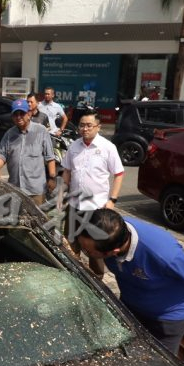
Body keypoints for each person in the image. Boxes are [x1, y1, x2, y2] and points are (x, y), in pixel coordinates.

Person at [77, 208, 184, 354]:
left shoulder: (164, 255)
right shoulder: (110, 230)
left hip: (166, 319)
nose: (85, 253)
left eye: (87, 251)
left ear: (113, 252)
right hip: (131, 307)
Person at [61, 113, 124, 273]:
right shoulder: (74, 146)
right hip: (75, 206)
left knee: (95, 248)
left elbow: (119, 174)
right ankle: (72, 274)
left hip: (96, 208)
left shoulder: (108, 147)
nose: (84, 129)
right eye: (82, 125)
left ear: (98, 127)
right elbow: (67, 171)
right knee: (70, 244)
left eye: (89, 125)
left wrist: (112, 200)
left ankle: (96, 280)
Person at [0, 98, 56, 205]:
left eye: (22, 113)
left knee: (36, 220)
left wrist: (52, 178)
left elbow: (49, 157)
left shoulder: (41, 131)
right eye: (15, 114)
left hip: (35, 191)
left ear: (29, 114)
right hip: (15, 188)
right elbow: (2, 154)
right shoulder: (9, 134)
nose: (18, 117)